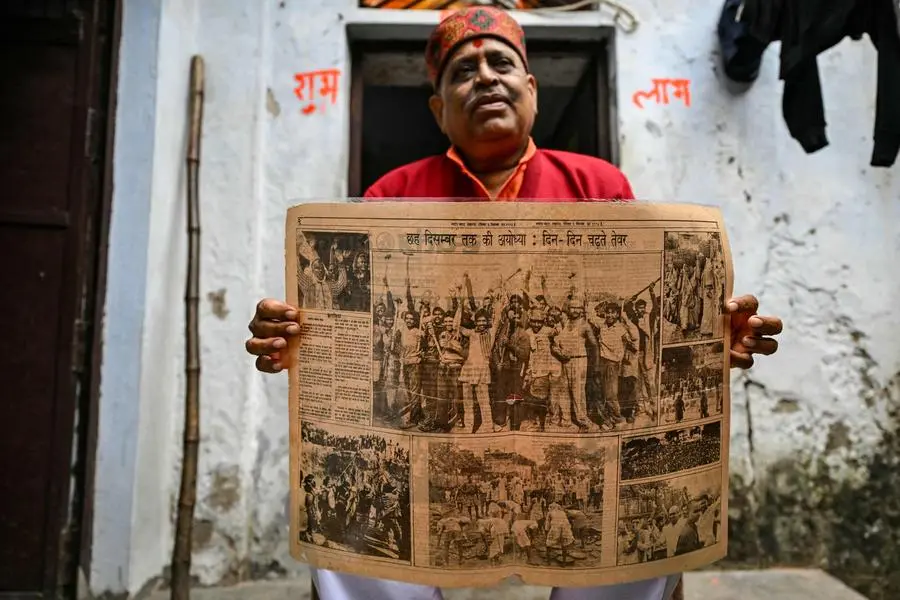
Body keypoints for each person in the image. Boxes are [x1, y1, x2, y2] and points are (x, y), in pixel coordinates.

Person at [244, 6, 783, 600]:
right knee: (349, 539)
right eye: (462, 71)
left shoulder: (598, 186)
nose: (485, 78)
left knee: (638, 550)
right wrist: (295, 339)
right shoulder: (390, 195)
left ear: (532, 90)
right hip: (452, 402)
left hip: (560, 402)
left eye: (502, 63)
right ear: (438, 109)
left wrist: (714, 341)